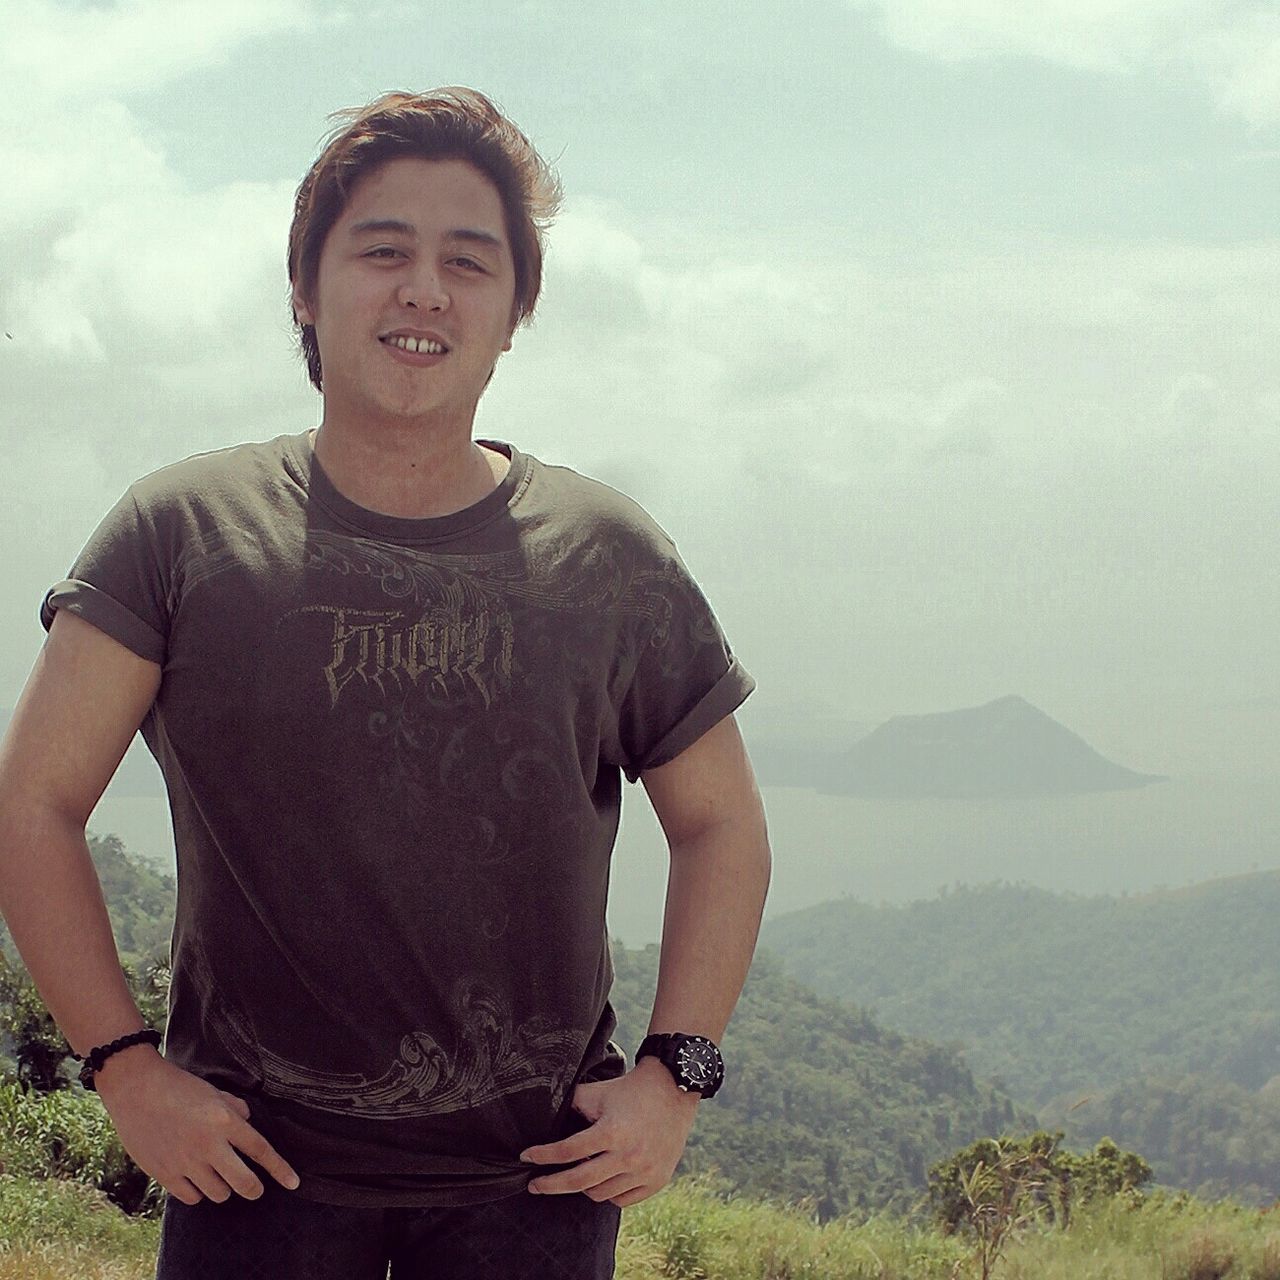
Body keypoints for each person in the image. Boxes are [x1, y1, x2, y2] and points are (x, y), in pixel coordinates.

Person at [0, 88, 771, 1279]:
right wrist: (125, 1070)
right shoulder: (182, 532)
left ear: (516, 310)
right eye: (382, 250)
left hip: (537, 1191)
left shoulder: (606, 555)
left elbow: (720, 824)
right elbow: (32, 804)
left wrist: (674, 1077)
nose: (424, 289)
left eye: (470, 260)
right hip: (253, 1180)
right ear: (304, 289)